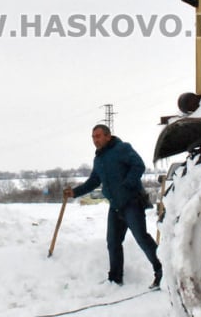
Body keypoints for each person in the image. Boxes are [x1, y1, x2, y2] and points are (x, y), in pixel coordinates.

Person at [64, 124, 162, 289]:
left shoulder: (122, 148)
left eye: (99, 136)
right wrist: (74, 192)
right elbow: (94, 181)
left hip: (131, 202)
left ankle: (162, 272)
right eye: (93, 137)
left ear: (108, 136)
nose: (95, 140)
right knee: (113, 242)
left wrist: (128, 184)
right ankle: (115, 279)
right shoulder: (99, 159)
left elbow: (138, 165)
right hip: (115, 206)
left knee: (141, 238)